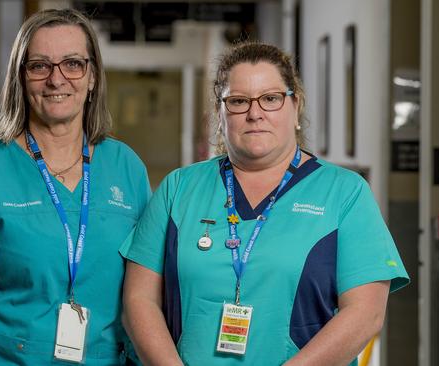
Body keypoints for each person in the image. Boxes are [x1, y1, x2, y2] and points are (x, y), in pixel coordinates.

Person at [121, 41, 409, 366]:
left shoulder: (344, 193)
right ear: (220, 112)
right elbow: (138, 299)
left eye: (270, 99)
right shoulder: (178, 189)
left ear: (295, 105)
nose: (254, 113)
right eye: (238, 101)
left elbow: (366, 313)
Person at [0, 9, 151, 365]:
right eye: (39, 66)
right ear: (21, 77)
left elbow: (145, 294)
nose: (56, 80)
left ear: (92, 77)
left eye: (73, 64)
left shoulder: (127, 168)